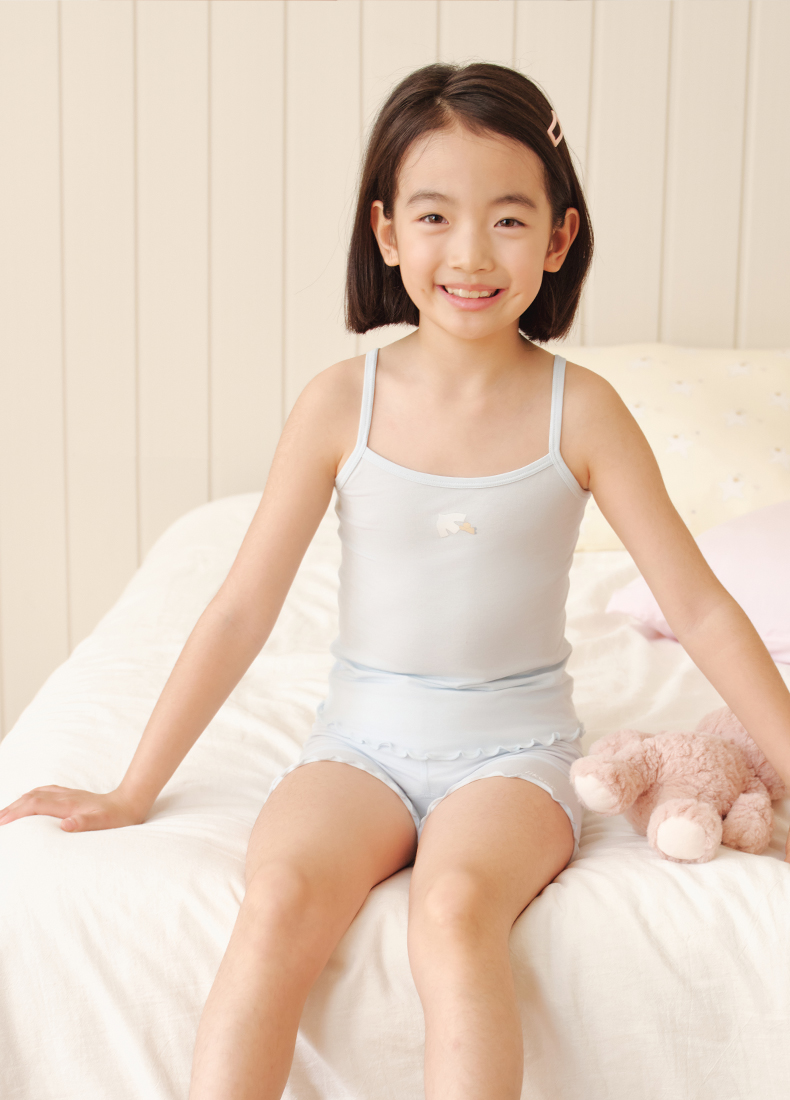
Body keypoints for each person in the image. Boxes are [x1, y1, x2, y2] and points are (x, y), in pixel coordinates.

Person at [3, 61, 790, 1100]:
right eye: (433, 216)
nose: (470, 253)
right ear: (385, 232)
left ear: (559, 238)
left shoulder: (585, 410)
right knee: (279, 896)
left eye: (508, 219)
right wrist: (132, 787)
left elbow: (701, 609)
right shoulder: (341, 403)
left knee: (454, 908)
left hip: (514, 757)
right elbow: (241, 608)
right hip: (359, 744)